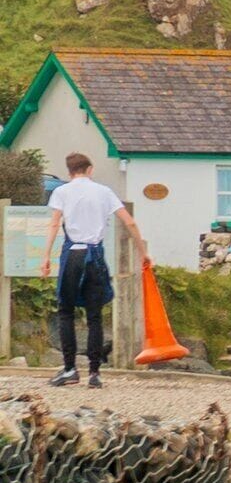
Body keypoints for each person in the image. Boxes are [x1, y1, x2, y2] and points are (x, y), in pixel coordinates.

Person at [44, 154, 135, 387]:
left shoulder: (62, 192)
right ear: (90, 169)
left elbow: (55, 223)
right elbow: (128, 221)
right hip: (95, 253)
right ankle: (95, 373)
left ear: (69, 171)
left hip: (72, 252)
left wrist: (46, 256)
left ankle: (70, 369)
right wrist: (143, 250)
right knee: (94, 315)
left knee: (66, 311)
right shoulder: (104, 192)